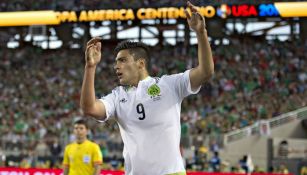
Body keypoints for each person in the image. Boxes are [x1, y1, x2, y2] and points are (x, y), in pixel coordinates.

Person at [80, 1, 214, 174]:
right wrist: (90, 67)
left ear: (140, 63)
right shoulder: (117, 96)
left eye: (122, 60)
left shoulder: (169, 85)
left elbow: (206, 72)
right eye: (116, 62)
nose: (116, 67)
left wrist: (201, 33)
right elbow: (89, 108)